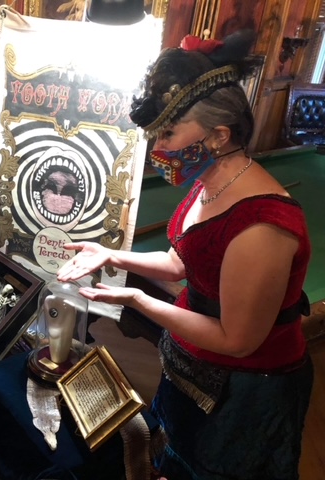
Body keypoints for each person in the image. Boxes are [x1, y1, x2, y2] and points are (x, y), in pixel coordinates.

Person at [57, 30, 313, 480]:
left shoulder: (261, 227)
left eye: (168, 132)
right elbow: (182, 263)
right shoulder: (209, 181)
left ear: (218, 134)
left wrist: (137, 301)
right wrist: (112, 255)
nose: (157, 148)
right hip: (193, 367)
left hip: (246, 391)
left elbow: (238, 341)